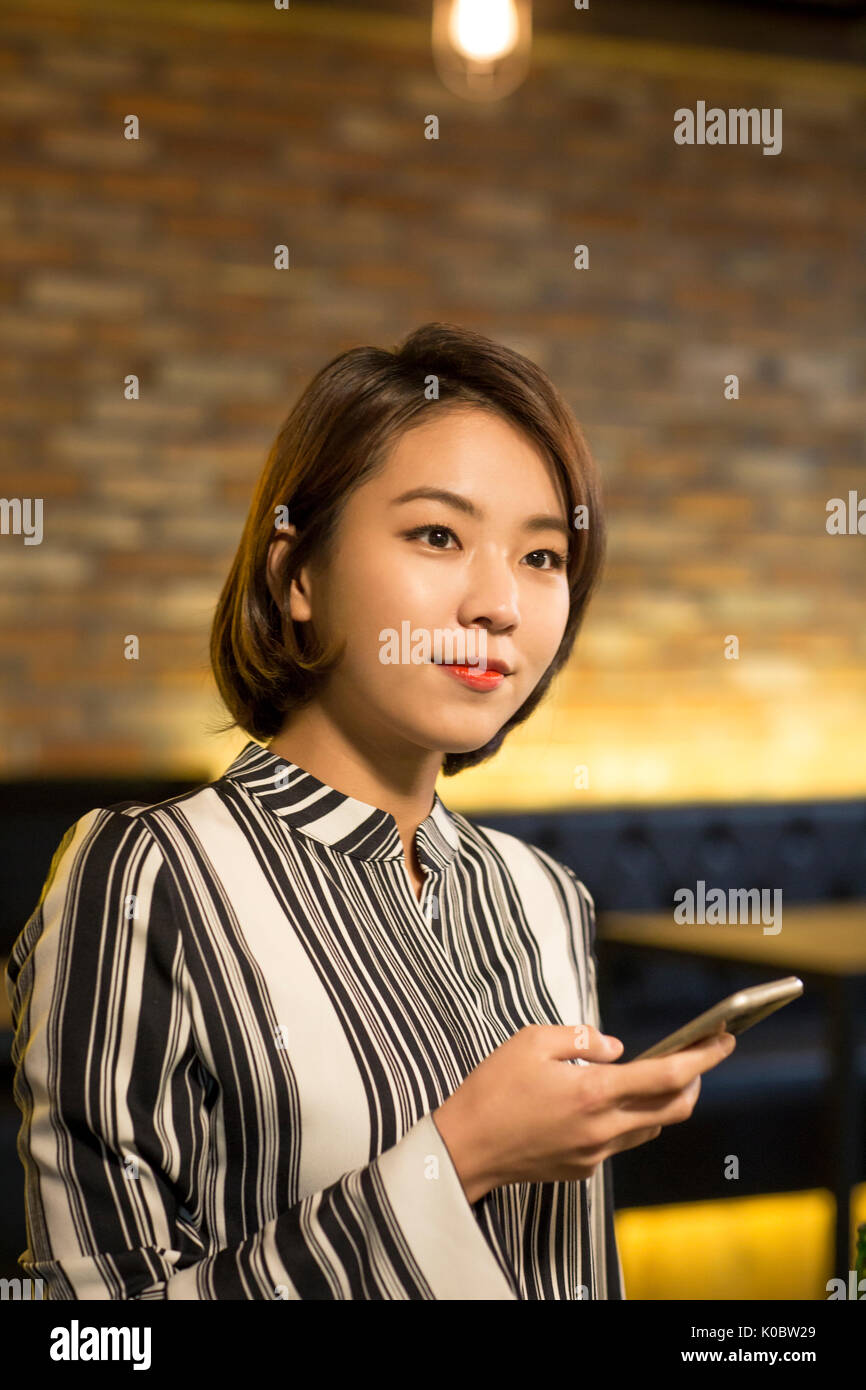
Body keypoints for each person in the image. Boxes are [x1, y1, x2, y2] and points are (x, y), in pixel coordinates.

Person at [5, 322, 735, 1300]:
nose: (498, 603)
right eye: (437, 535)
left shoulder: (542, 896)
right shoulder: (148, 876)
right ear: (294, 574)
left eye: (543, 556)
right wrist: (457, 1158)